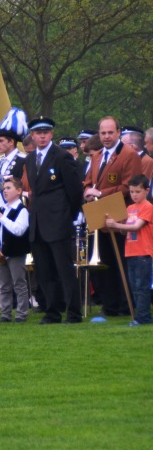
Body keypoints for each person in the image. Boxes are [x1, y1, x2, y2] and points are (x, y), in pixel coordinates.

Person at [23, 116, 85, 324]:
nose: (42, 136)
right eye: (38, 133)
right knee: (44, 270)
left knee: (64, 269)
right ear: (32, 135)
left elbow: (74, 190)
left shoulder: (62, 156)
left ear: (51, 134)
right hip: (38, 221)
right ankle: (52, 311)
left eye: (46, 132)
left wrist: (69, 215)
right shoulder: (30, 159)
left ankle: (73, 312)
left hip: (58, 220)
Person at [83, 117, 141, 318]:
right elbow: (88, 181)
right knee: (105, 262)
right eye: (103, 133)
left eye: (110, 133)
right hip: (100, 217)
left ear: (118, 132)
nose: (106, 137)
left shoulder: (129, 155)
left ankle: (126, 304)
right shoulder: (97, 155)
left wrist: (101, 193)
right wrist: (87, 191)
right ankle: (110, 305)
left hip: (121, 217)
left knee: (121, 263)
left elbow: (129, 186)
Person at [104, 174, 153, 326]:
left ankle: (143, 317)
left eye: (138, 191)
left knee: (141, 287)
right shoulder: (130, 208)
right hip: (130, 252)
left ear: (147, 191)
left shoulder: (148, 207)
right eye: (131, 192)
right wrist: (115, 226)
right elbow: (125, 229)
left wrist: (116, 225)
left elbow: (136, 226)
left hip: (143, 253)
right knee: (134, 287)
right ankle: (140, 315)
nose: (134, 195)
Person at [0, 177, 31, 323]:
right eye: (4, 189)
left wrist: (2, 218)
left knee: (19, 283)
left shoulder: (22, 210)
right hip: (1, 252)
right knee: (4, 285)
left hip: (16, 251)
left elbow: (19, 230)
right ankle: (5, 313)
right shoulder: (3, 209)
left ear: (19, 191)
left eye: (9, 188)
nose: (5, 191)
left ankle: (21, 313)